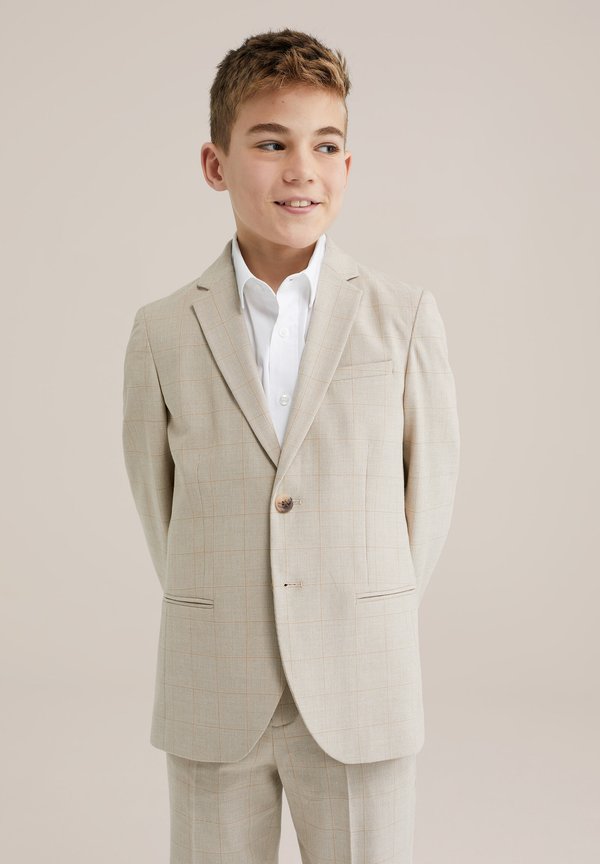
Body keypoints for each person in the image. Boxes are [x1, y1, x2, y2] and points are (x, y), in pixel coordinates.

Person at [122, 27, 460, 864]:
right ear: (216, 164)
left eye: (326, 145)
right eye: (271, 144)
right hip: (214, 684)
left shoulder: (402, 318)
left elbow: (427, 501)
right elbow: (160, 509)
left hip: (360, 682)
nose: (302, 169)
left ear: (347, 164)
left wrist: (364, 611)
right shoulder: (163, 332)